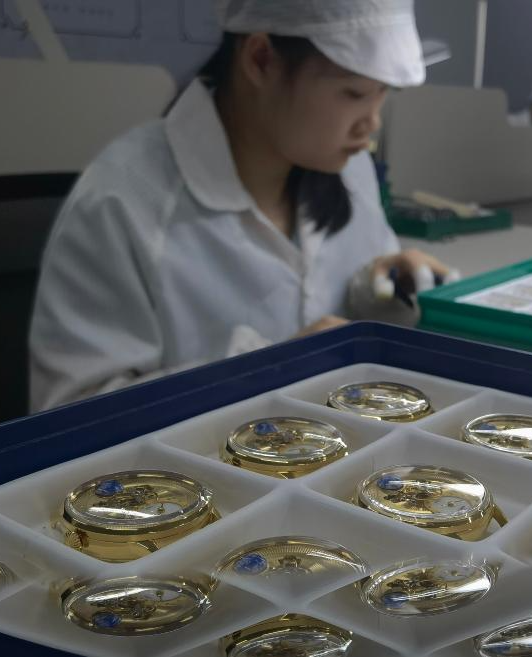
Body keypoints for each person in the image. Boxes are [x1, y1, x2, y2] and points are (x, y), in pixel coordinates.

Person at [29, 0, 455, 411]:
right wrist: (267, 371)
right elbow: (70, 417)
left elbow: (324, 310)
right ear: (261, 59)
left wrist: (376, 298)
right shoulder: (121, 201)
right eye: (353, 92)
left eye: (383, 92)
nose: (371, 123)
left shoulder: (349, 168)